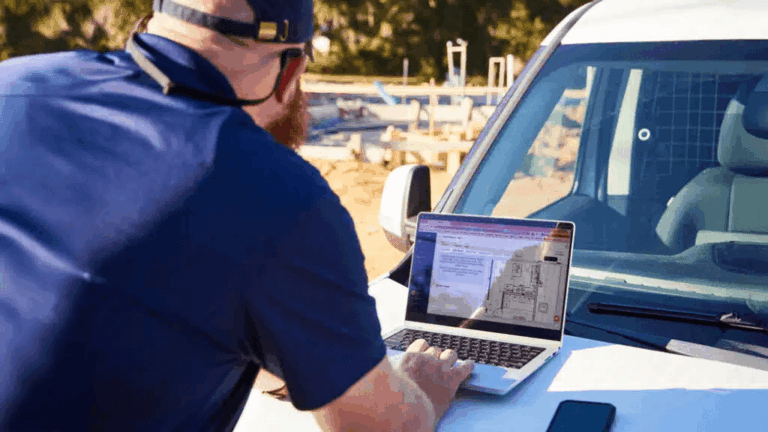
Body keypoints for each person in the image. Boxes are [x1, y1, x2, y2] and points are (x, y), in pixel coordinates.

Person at [0, 0, 474, 430]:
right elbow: (378, 427)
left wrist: (282, 346)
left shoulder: (13, 85)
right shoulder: (280, 196)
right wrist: (422, 390)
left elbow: (115, 277)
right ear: (291, 73)